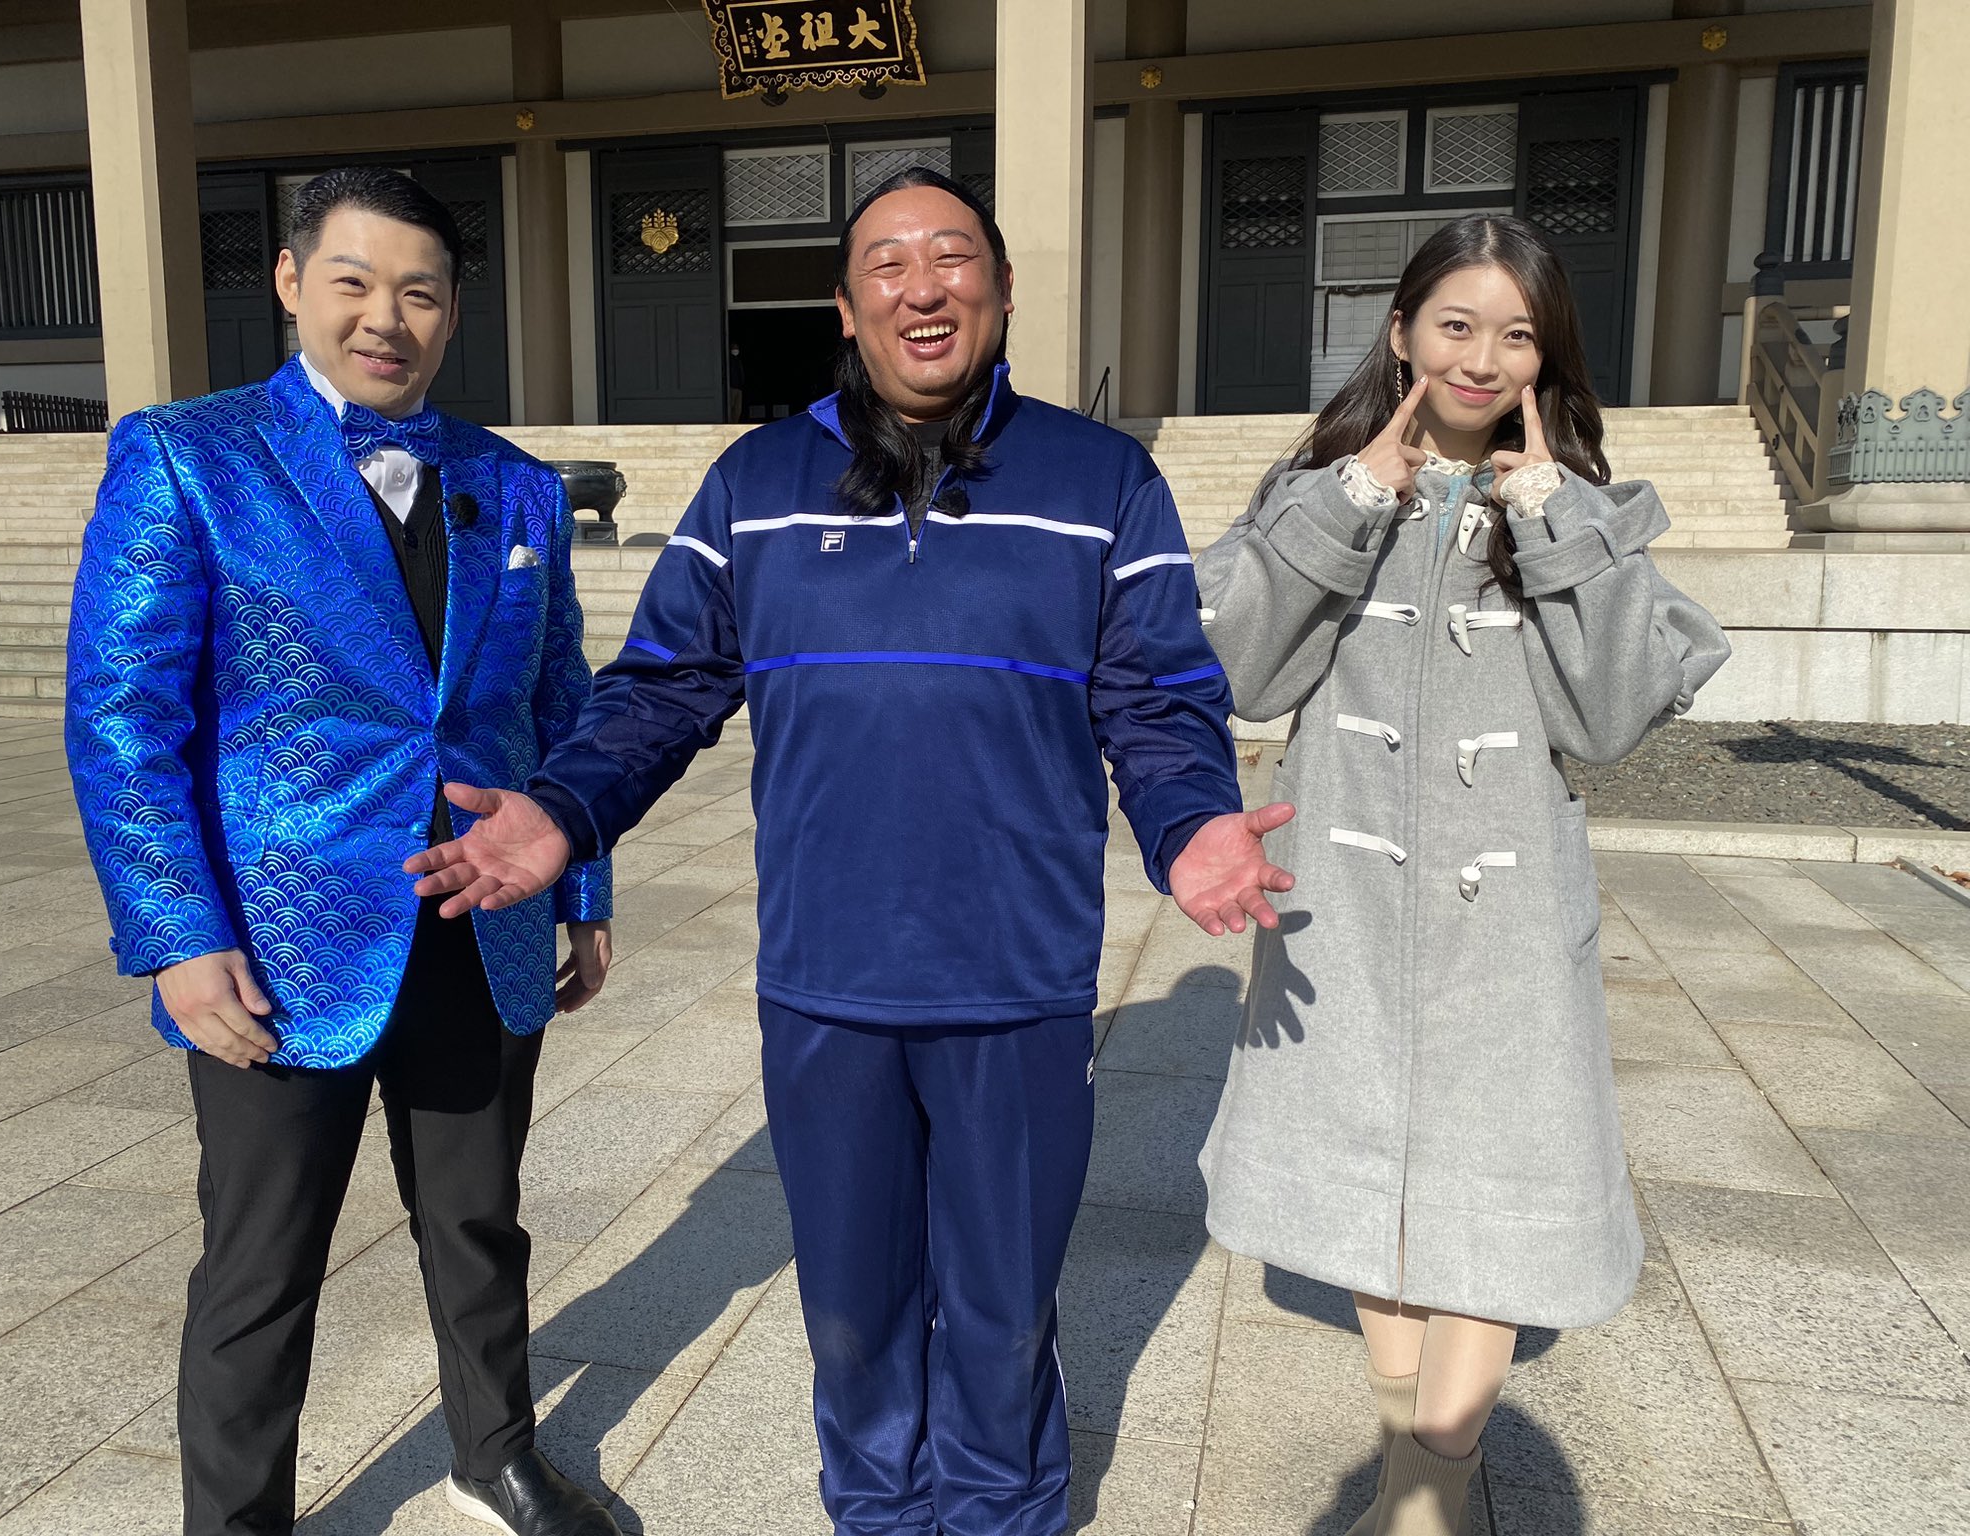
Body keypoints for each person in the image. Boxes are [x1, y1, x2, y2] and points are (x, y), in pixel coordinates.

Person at [402, 166, 1294, 1536]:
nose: (922, 288)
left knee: (1002, 1306)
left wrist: (1189, 823)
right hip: (829, 977)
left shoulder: (1103, 478)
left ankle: (1000, 1511)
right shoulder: (756, 484)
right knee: (853, 1307)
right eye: (888, 263)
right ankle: (875, 1511)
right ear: (845, 305)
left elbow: (1158, 694)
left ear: (1002, 290)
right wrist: (564, 808)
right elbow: (661, 688)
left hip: (1018, 978)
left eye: (953, 258)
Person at [64, 167, 621, 1536]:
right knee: (261, 1263)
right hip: (276, 943)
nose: (387, 318)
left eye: (419, 292)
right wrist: (178, 935)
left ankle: (494, 1455)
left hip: (479, 920)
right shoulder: (190, 457)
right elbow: (122, 717)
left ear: (452, 311)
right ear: (292, 283)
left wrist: (581, 881)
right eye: (355, 283)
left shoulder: (513, 485)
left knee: (479, 1224)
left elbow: (559, 699)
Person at [1193, 214, 1730, 1534]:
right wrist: (1351, 504)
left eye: (1517, 334)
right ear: (1401, 333)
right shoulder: (1319, 487)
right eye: (1457, 325)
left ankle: (1428, 1490)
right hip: (1342, 902)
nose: (1483, 358)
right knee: (1360, 1166)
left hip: (1510, 918)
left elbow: (1608, 720)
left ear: (1548, 357)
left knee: (1499, 1183)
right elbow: (1242, 673)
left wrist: (1551, 526)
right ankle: (1407, 1449)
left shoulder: (1576, 507)